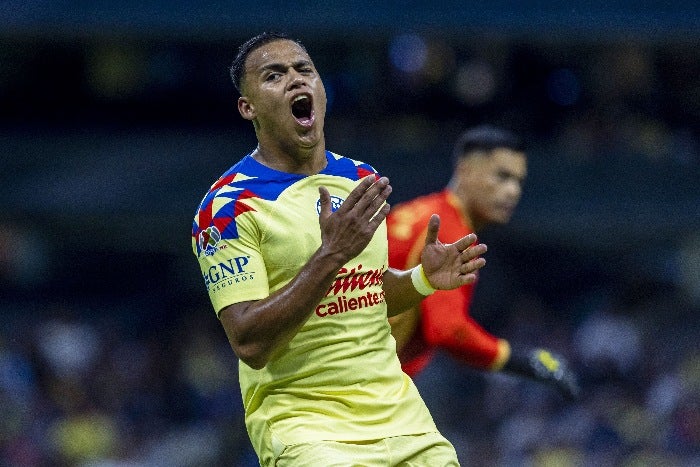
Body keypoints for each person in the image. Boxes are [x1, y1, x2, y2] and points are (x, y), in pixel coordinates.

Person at [191, 32, 488, 467]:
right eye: (274, 75)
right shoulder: (227, 207)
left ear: (321, 89)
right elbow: (250, 342)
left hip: (403, 420)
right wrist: (331, 254)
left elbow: (365, 295)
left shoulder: (360, 179)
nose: (295, 80)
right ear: (247, 107)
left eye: (304, 70)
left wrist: (422, 279)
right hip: (309, 431)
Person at [387, 125, 580, 400]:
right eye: (502, 176)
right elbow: (447, 329)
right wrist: (523, 361)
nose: (513, 191)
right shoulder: (451, 232)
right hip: (354, 384)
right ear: (465, 170)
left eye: (518, 181)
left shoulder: (421, 211)